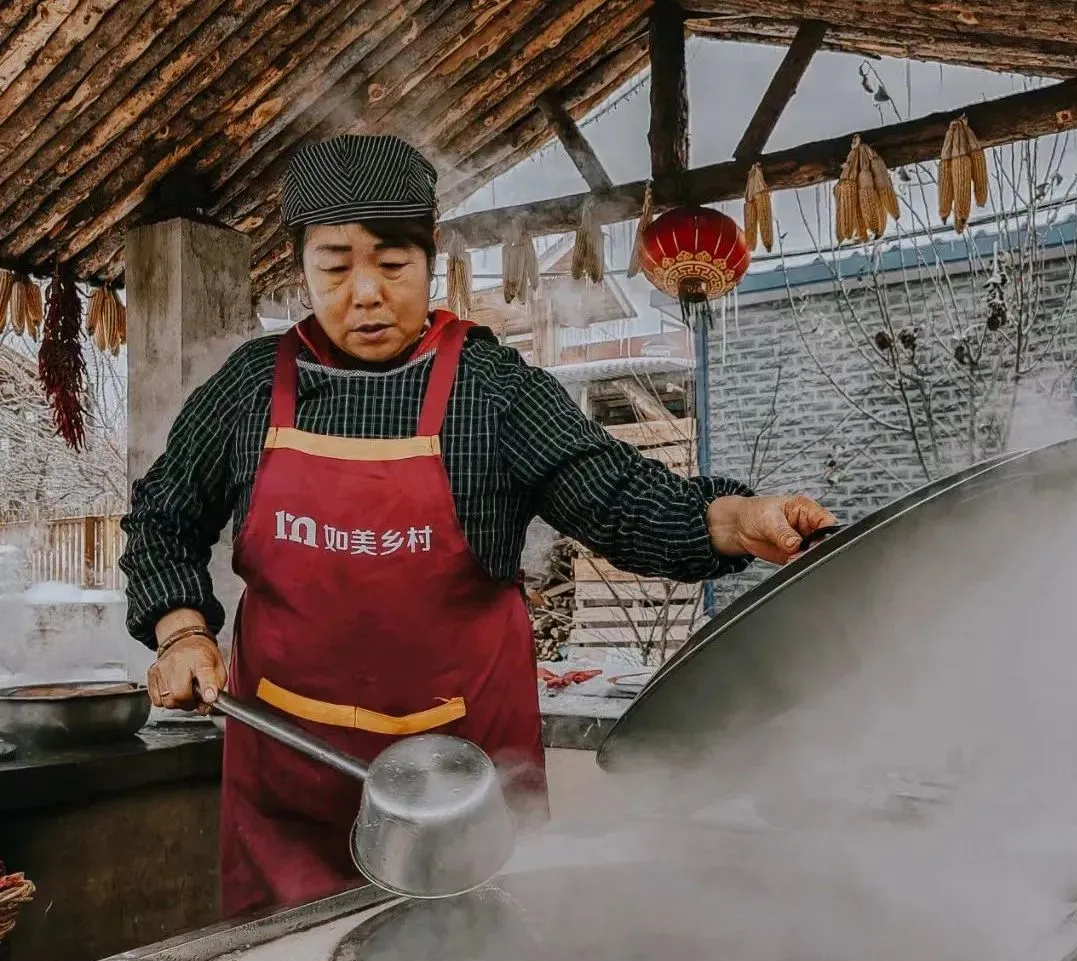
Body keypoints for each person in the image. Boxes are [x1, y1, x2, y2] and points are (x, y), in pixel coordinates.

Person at [120, 134, 836, 918]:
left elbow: (617, 496)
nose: (364, 293)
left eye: (392, 265)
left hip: (467, 794)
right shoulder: (253, 387)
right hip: (290, 784)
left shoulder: (491, 391)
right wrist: (182, 632)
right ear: (301, 268)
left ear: (431, 262)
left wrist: (736, 520)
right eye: (334, 265)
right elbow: (164, 515)